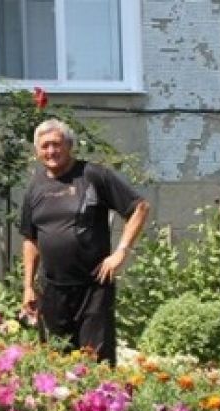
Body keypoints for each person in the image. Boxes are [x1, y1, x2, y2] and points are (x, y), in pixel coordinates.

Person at [20, 119, 150, 363]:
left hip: (94, 288)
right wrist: (28, 286)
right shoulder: (35, 188)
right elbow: (30, 239)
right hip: (52, 291)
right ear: (37, 152)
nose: (51, 151)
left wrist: (122, 251)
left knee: (96, 361)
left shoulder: (93, 176)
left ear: (69, 145)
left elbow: (139, 207)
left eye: (57, 145)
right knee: (56, 361)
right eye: (45, 146)